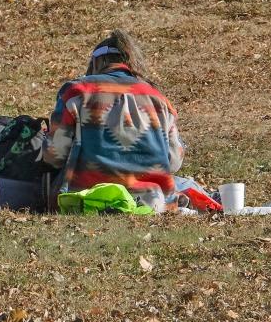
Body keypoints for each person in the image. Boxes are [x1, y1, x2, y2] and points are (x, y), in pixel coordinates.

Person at [40, 30, 184, 212]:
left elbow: (54, 155)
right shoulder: (159, 99)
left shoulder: (77, 91)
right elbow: (174, 161)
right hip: (154, 204)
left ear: (96, 62)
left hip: (87, 200)